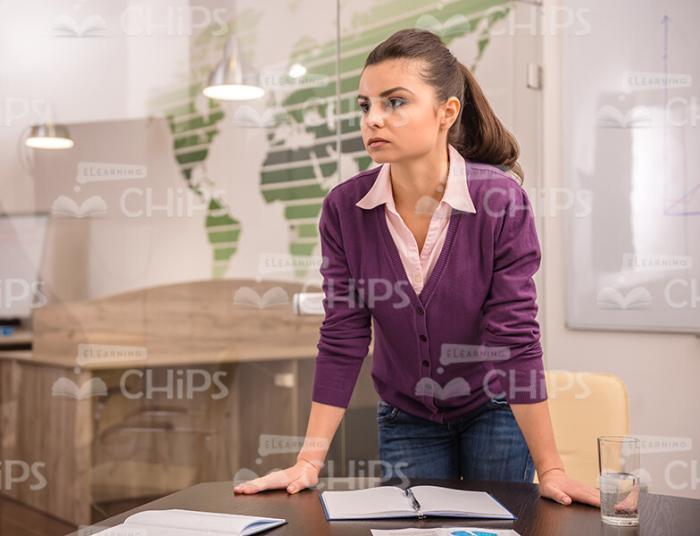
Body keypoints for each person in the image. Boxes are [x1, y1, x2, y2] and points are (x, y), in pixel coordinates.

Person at [234, 28, 600, 508]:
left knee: (498, 526)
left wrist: (551, 469)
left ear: (447, 112)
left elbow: (515, 338)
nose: (374, 120)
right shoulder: (346, 209)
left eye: (395, 102)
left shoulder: (499, 201)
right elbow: (343, 338)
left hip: (492, 406)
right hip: (406, 416)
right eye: (366, 106)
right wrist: (309, 461)